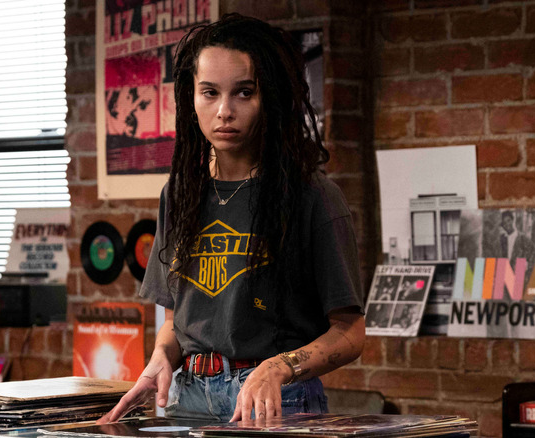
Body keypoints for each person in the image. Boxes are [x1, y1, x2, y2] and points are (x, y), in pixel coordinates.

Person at [97, 13, 365, 424]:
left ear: (269, 97)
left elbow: (350, 333)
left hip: (275, 399)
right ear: (191, 98)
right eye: (209, 93)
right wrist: (160, 359)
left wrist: (279, 367)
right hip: (188, 397)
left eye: (244, 92)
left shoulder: (312, 196)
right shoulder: (180, 194)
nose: (224, 111)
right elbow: (177, 321)